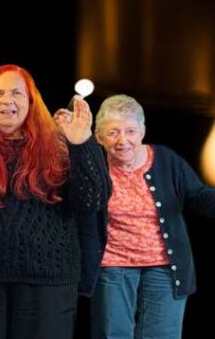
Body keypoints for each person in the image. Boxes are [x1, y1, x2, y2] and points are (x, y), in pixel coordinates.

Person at [0, 63, 110, 339]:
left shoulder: (59, 143)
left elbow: (93, 201)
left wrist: (82, 143)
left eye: (16, 93)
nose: (7, 100)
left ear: (31, 101)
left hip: (48, 283)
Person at [81, 93, 215, 339]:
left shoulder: (166, 160)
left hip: (165, 267)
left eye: (130, 131)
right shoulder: (94, 168)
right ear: (99, 137)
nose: (123, 140)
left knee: (162, 335)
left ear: (142, 130)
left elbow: (198, 195)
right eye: (113, 133)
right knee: (113, 334)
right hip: (113, 265)